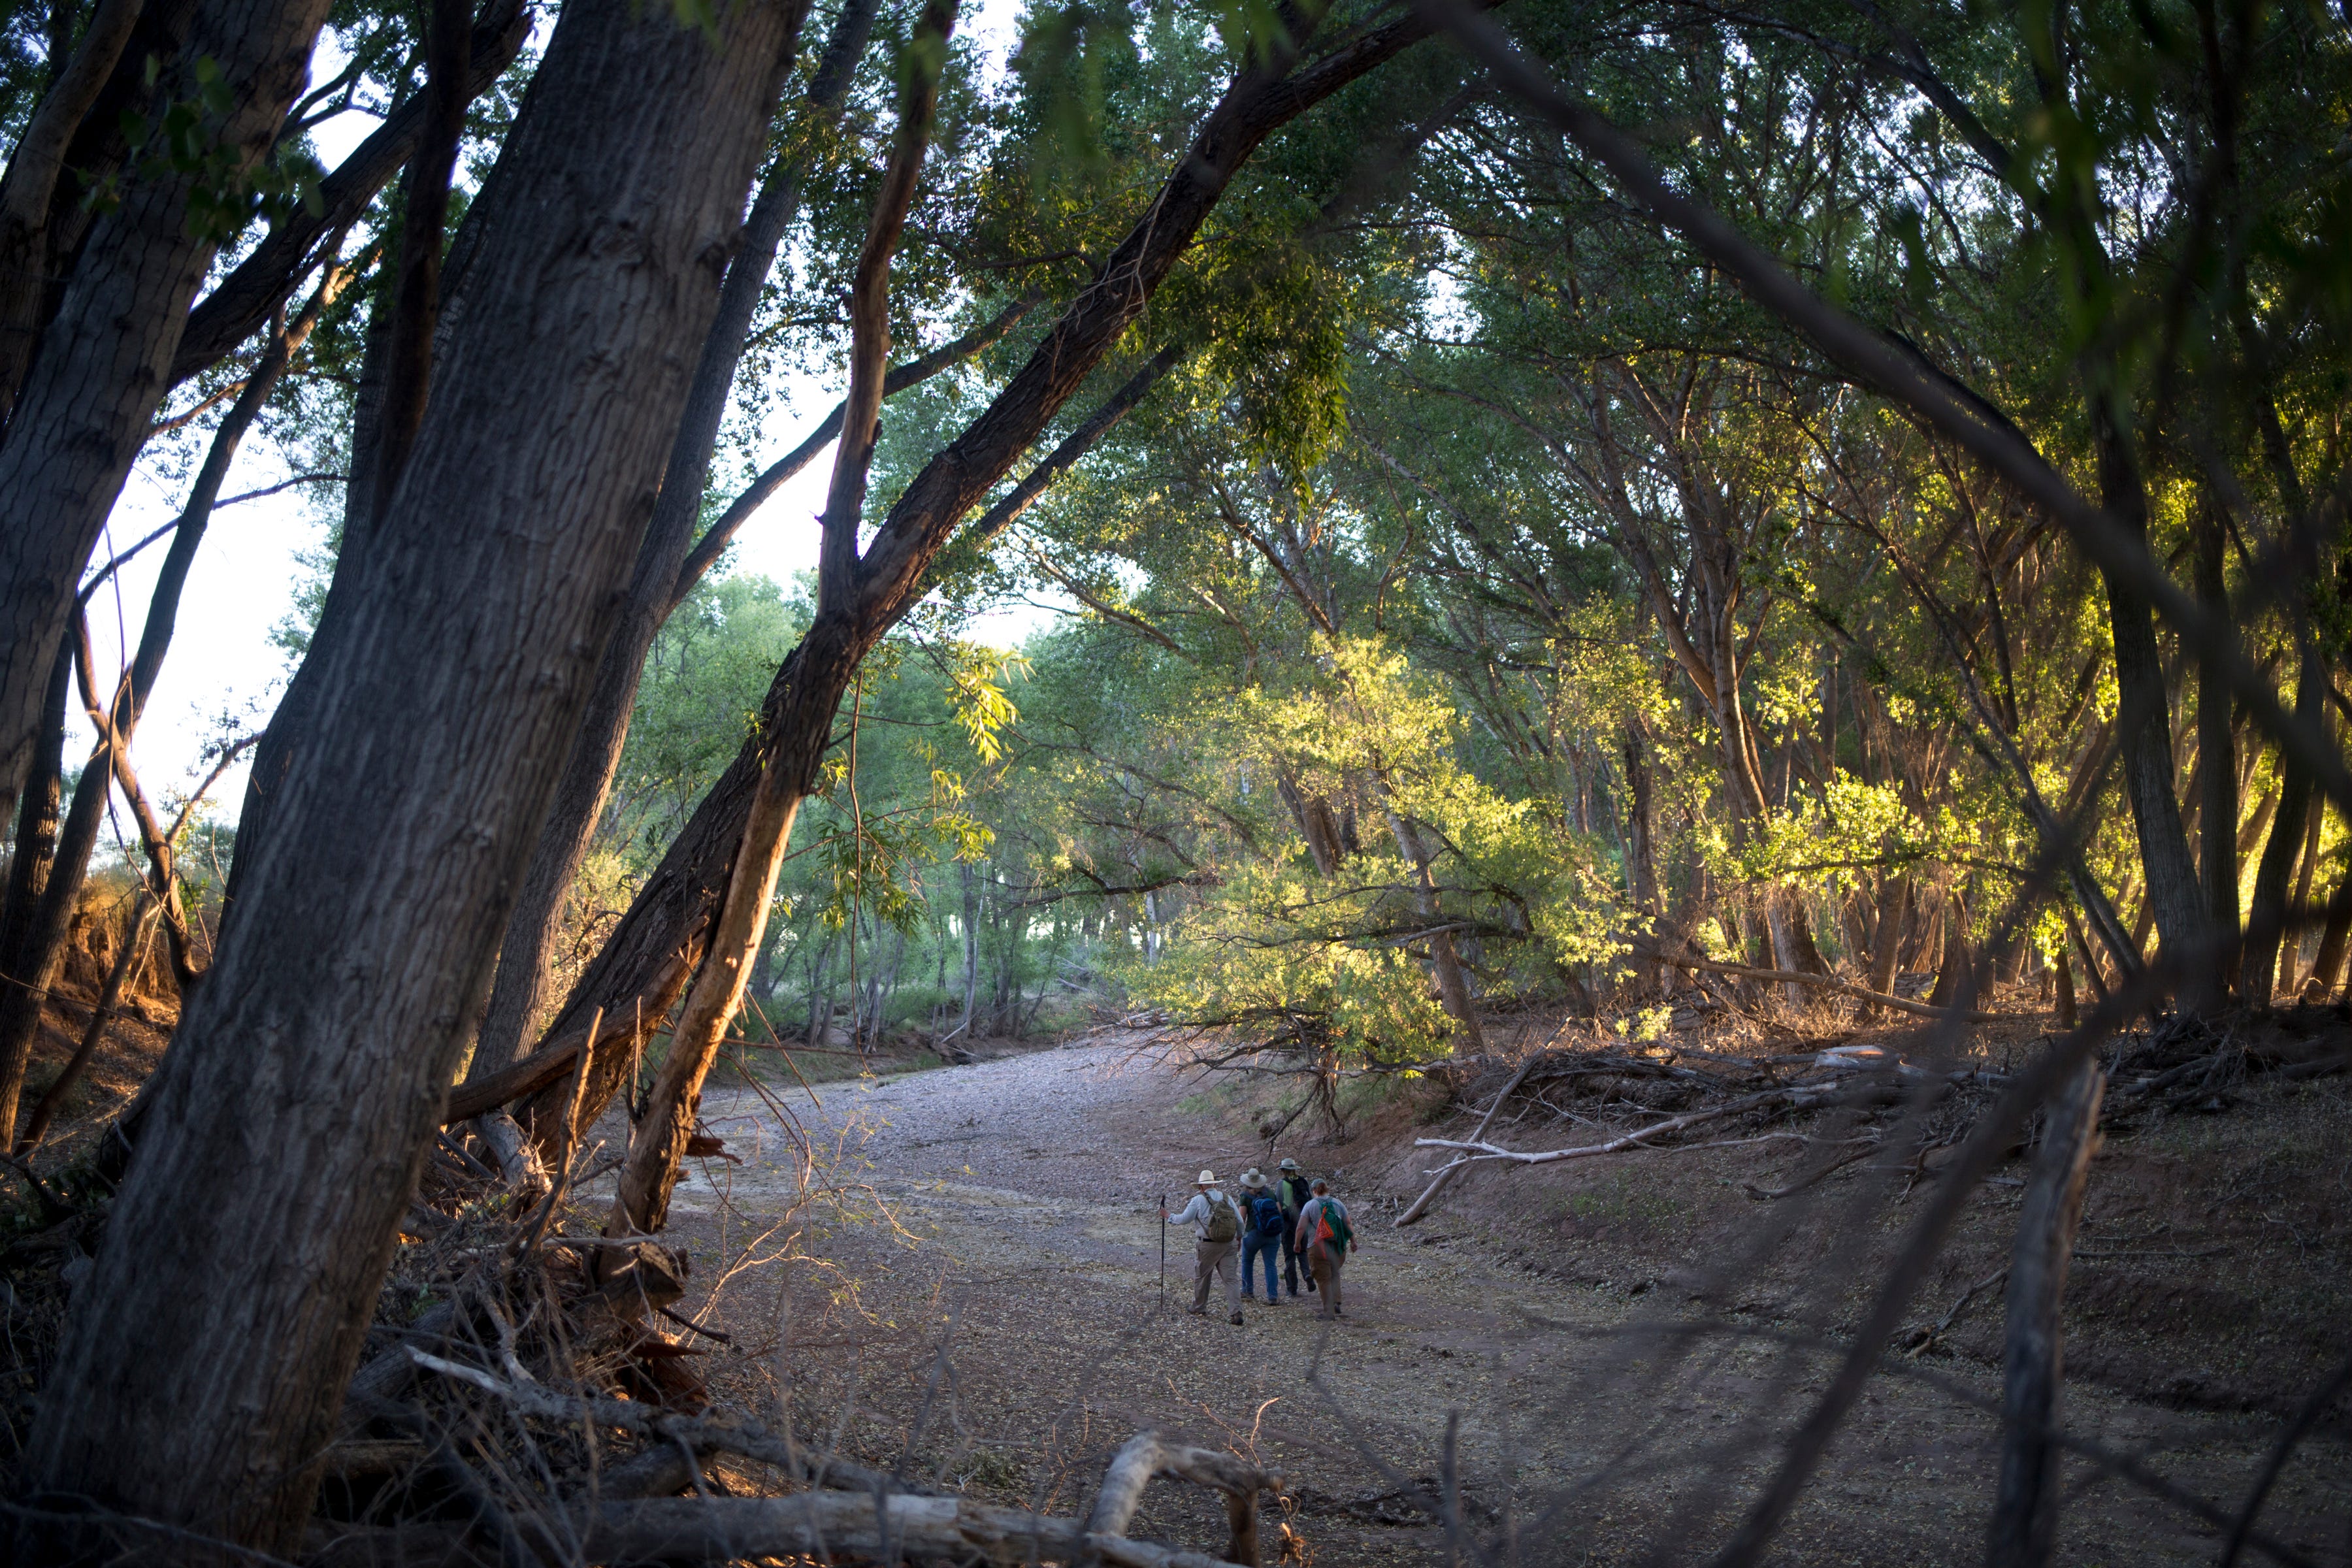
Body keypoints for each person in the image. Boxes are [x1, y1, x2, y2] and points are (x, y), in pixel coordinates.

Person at [1162, 1168, 1247, 1324]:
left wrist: (1169, 1216)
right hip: (1229, 1243)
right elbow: (1240, 1221)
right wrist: (1239, 1238)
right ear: (1214, 1184)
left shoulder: (1198, 1200)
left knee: (1202, 1276)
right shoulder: (1227, 1198)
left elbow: (1184, 1219)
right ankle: (1236, 1312)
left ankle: (1199, 1306)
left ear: (1201, 1187)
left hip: (1208, 1245)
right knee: (1231, 1279)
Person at [1294, 1177, 1353, 1320]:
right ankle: (1336, 1302)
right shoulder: (1338, 1203)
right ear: (1327, 1189)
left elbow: (1301, 1227)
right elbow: (1348, 1222)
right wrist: (1353, 1241)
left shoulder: (1310, 1205)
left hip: (1318, 1246)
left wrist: (1297, 1243)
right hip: (1338, 1245)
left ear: (1314, 1190)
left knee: (1323, 1278)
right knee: (1334, 1273)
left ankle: (1328, 1312)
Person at [1237, 1169, 1285, 1304]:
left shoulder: (1245, 1196)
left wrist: (1239, 1236)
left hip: (1253, 1233)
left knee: (1247, 1261)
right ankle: (1272, 1296)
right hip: (1272, 1234)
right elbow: (1279, 1212)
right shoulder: (1270, 1193)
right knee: (1270, 1265)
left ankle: (1248, 1291)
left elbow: (1242, 1218)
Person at [1275, 1157, 1314, 1298]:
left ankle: (1292, 1288)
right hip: (1303, 1222)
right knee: (1302, 1252)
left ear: (1283, 1171)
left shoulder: (1281, 1184)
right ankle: (1307, 1274)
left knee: (1289, 1256)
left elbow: (1278, 1202)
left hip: (1288, 1223)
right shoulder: (1303, 1182)